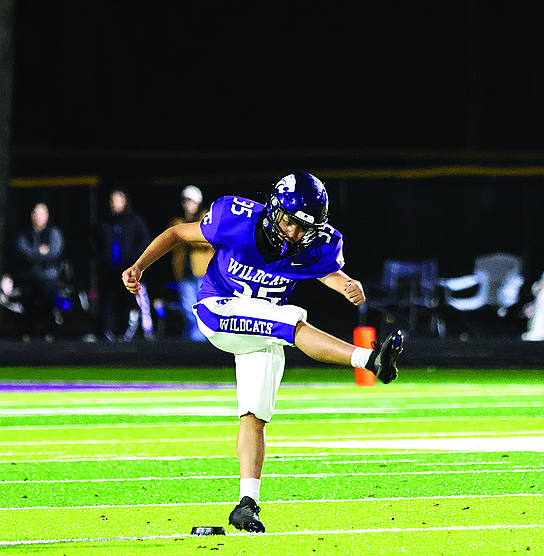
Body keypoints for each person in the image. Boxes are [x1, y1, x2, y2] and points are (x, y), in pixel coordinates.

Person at [121, 172, 404, 533]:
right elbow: (178, 233)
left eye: (305, 228)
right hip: (219, 310)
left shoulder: (315, 244)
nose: (294, 234)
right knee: (290, 323)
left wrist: (345, 283)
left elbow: (324, 269)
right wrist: (139, 266)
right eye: (290, 222)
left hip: (259, 327)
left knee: (254, 415)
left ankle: (246, 504)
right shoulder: (234, 219)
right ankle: (368, 360)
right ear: (274, 209)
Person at [94, 189, 154, 341]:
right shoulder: (103, 221)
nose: (115, 204)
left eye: (119, 200)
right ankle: (103, 332)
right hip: (108, 269)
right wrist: (102, 258)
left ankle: (122, 332)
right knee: (105, 301)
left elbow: (144, 240)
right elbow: (93, 242)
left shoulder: (134, 221)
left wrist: (133, 260)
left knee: (125, 301)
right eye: (112, 201)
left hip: (127, 269)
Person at [168, 185, 214, 341]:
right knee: (188, 309)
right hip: (184, 271)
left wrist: (188, 237)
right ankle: (195, 343)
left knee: (204, 309)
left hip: (203, 272)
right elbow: (170, 243)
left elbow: (209, 240)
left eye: (191, 201)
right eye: (185, 201)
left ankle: (199, 342)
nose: (188, 205)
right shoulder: (177, 221)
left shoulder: (207, 218)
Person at [15, 203, 64, 342]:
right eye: (36, 213)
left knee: (48, 305)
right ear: (32, 216)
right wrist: (40, 252)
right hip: (30, 276)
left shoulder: (54, 233)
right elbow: (22, 250)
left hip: (48, 277)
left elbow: (54, 252)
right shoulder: (25, 234)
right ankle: (27, 332)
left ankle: (49, 332)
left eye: (42, 213)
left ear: (47, 215)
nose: (39, 216)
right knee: (28, 304)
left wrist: (35, 255)